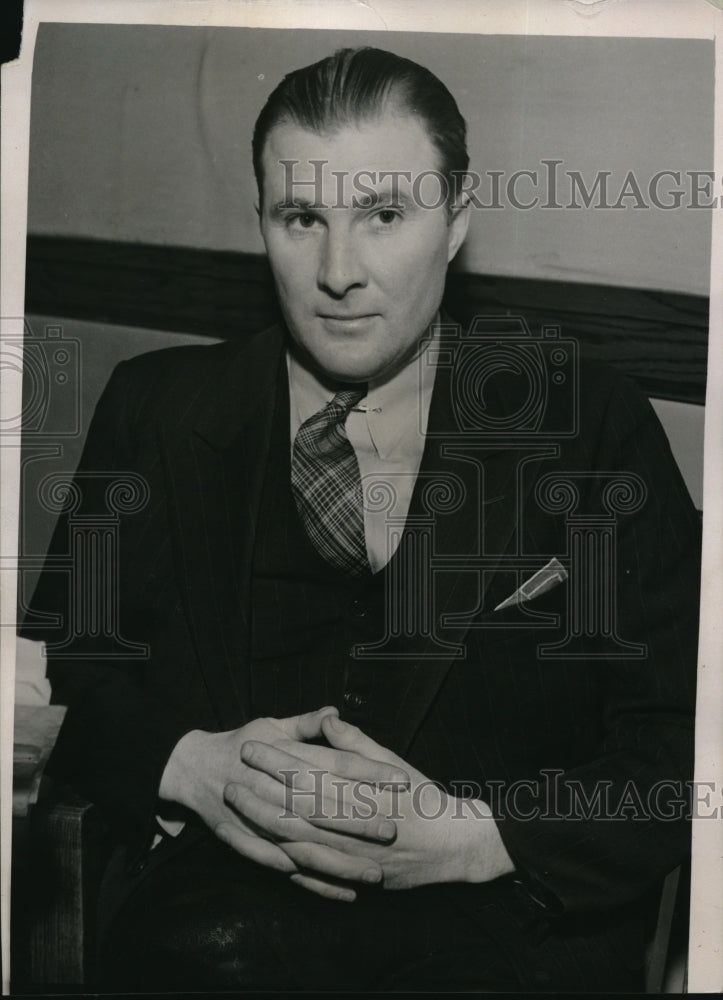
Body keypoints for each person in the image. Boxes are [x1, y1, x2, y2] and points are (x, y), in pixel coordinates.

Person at [25, 47, 700, 992]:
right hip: (218, 928)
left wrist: (470, 840)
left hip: (506, 928)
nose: (339, 272)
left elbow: (682, 742)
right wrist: (187, 765)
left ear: (456, 223)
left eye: (384, 215)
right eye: (303, 217)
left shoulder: (587, 422)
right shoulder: (155, 406)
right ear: (261, 222)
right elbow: (73, 670)